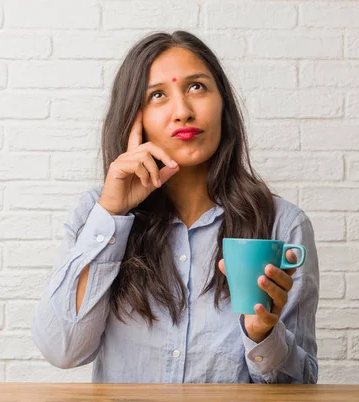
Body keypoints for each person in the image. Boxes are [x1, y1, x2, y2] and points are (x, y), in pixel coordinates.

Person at [31, 30, 319, 384]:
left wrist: (263, 334)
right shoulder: (95, 215)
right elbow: (63, 350)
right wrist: (111, 214)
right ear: (134, 119)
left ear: (223, 104)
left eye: (196, 87)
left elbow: (302, 384)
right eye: (158, 95)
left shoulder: (282, 225)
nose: (182, 111)